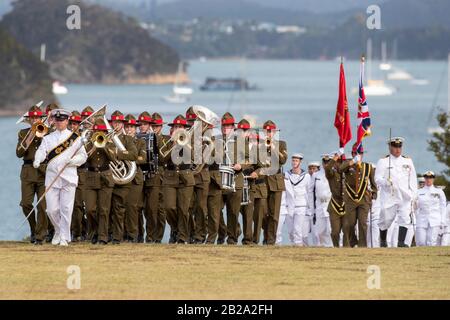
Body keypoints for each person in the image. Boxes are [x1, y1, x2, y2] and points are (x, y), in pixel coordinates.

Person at [33, 109, 88, 246]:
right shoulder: (47, 138)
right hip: (52, 177)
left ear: (67, 121)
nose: (59, 123)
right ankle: (58, 230)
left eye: (62, 120)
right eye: (57, 120)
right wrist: (37, 159)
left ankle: (64, 237)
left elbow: (83, 156)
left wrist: (73, 161)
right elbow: (41, 151)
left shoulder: (76, 138)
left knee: (66, 209)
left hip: (68, 177)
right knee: (52, 210)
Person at [375, 137, 417, 247]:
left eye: (399, 147)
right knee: (385, 218)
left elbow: (412, 179)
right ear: (390, 147)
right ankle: (383, 241)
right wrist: (385, 182)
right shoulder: (383, 161)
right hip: (390, 195)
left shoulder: (407, 161)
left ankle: (401, 242)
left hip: (404, 195)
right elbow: (377, 178)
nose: (398, 149)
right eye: (395, 147)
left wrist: (413, 194)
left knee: (405, 217)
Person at [16, 105, 48, 245]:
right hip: (28, 171)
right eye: (33, 118)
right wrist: (29, 136)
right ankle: (34, 229)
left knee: (42, 206)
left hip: (43, 172)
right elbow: (19, 153)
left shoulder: (48, 132)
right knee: (26, 204)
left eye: (37, 117)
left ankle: (40, 236)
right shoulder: (23, 133)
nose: (35, 120)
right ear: (29, 120)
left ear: (41, 119)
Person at [161, 115, 195, 244]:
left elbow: (194, 157)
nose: (178, 129)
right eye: (176, 127)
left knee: (183, 209)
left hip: (185, 177)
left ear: (185, 129)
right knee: (169, 207)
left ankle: (182, 236)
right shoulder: (166, 141)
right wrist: (173, 144)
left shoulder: (190, 141)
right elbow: (162, 158)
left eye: (180, 127)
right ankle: (175, 229)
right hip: (170, 177)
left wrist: (184, 144)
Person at [84, 118, 116, 245]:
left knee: (104, 209)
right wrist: (93, 145)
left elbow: (113, 158)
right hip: (91, 177)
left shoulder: (110, 143)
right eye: (97, 132)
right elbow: (84, 158)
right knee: (90, 209)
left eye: (102, 132)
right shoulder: (88, 143)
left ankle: (103, 236)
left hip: (105, 177)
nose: (99, 134)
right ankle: (94, 231)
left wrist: (104, 146)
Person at [108, 110, 138, 244]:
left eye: (119, 122)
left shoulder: (127, 139)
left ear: (122, 124)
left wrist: (116, 153)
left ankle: (117, 237)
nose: (117, 125)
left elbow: (133, 155)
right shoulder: (106, 137)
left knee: (118, 209)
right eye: (115, 122)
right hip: (108, 177)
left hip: (121, 178)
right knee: (105, 209)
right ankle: (105, 235)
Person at [340, 143, 377, 247]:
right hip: (350, 199)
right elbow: (340, 169)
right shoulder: (348, 164)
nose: (359, 155)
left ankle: (362, 246)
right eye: (356, 153)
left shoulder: (368, 167)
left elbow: (373, 184)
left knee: (363, 223)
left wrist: (374, 194)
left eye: (360, 153)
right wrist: (352, 161)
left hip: (364, 199)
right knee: (350, 223)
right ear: (352, 153)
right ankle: (352, 241)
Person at [186, 107, 210, 244]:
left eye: (195, 121)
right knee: (187, 206)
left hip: (202, 175)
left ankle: (200, 235)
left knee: (201, 207)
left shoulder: (208, 134)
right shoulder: (184, 134)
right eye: (190, 121)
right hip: (188, 175)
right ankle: (190, 233)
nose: (192, 124)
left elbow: (213, 155)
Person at [261, 120, 288, 245]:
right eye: (266, 131)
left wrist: (272, 147)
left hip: (276, 183)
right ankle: (266, 236)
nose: (269, 133)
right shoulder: (259, 144)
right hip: (262, 181)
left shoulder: (281, 144)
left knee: (274, 215)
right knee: (263, 213)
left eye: (271, 131)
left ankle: (271, 240)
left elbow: (283, 160)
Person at [276, 153, 311, 246]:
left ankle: (298, 246)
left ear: (300, 162)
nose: (294, 162)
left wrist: (309, 208)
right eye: (293, 160)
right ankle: (293, 245)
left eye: (296, 161)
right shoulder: (287, 174)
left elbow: (309, 192)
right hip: (289, 206)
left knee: (297, 229)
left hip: (301, 205)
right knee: (291, 230)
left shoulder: (306, 176)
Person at [124, 114, 147, 242]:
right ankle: (121, 234)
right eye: (127, 127)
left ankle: (133, 235)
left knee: (132, 206)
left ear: (135, 128)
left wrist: (125, 156)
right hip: (122, 177)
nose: (129, 129)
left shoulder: (140, 142)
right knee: (120, 206)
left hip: (135, 179)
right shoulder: (120, 141)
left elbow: (142, 159)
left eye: (131, 127)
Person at [323, 149, 350, 247]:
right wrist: (335, 157)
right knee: (335, 232)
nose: (336, 164)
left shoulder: (347, 171)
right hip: (335, 204)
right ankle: (336, 248)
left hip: (347, 204)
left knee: (347, 231)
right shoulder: (331, 173)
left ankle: (347, 251)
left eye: (339, 161)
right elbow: (327, 168)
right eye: (335, 162)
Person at [69, 110, 88, 242]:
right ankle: (74, 232)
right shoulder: (63, 137)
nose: (72, 126)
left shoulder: (83, 137)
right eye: (71, 123)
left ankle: (81, 231)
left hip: (81, 172)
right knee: (69, 204)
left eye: (75, 123)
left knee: (79, 205)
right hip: (68, 172)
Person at [415, 171, 447, 246]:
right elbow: (415, 207)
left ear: (433, 179)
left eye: (430, 178)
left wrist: (442, 220)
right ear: (424, 179)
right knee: (421, 241)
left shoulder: (439, 192)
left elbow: (443, 207)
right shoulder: (419, 191)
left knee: (431, 242)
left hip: (435, 219)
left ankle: (430, 256)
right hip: (422, 219)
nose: (428, 180)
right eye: (427, 178)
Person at [308, 155, 333, 247]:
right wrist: (312, 207)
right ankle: (324, 247)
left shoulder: (334, 173)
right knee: (320, 231)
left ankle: (334, 247)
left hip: (330, 204)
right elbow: (311, 192)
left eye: (328, 162)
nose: (326, 164)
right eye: (324, 162)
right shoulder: (316, 175)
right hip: (319, 204)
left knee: (331, 229)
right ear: (322, 163)